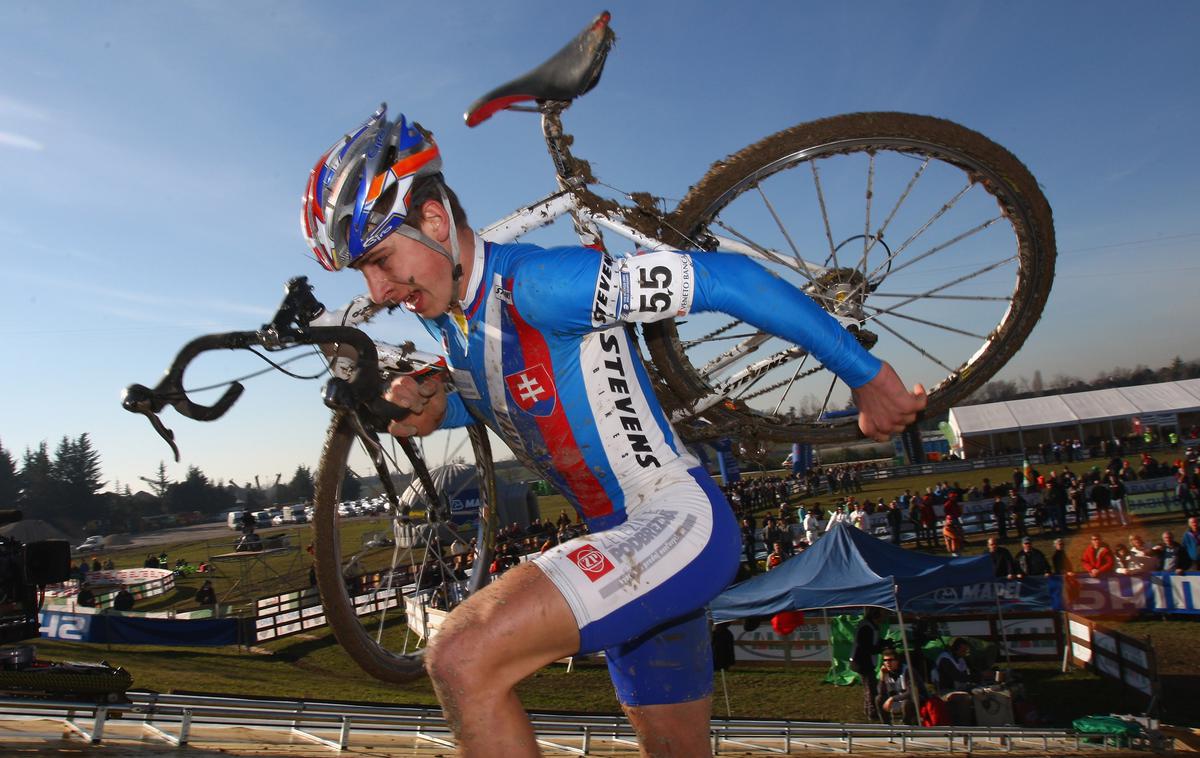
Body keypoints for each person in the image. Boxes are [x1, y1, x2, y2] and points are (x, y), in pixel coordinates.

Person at [300, 103, 928, 755]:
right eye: (363, 273)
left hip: (674, 522)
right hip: (626, 541)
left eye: (379, 260)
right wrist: (429, 408)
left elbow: (725, 278)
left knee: (461, 657)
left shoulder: (537, 285)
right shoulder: (451, 318)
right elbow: (487, 396)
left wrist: (867, 375)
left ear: (432, 220)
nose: (375, 288)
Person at [851, 607, 888, 721]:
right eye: (882, 614)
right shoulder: (867, 627)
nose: (884, 617)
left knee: (870, 686)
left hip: (865, 661)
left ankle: (869, 709)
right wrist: (879, 649)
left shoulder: (871, 625)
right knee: (871, 687)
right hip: (862, 661)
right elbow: (866, 646)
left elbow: (874, 641)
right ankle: (872, 712)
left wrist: (884, 643)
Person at [932, 637, 981, 725]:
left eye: (966, 651)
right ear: (955, 650)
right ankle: (963, 725)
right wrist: (978, 676)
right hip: (945, 690)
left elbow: (969, 673)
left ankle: (979, 721)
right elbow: (958, 677)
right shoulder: (945, 659)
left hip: (959, 687)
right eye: (963, 650)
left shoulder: (961, 659)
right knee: (962, 697)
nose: (965, 653)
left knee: (981, 692)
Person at [875, 647, 924, 725]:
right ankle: (886, 725)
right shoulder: (886, 672)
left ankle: (907, 726)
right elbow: (880, 692)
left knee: (906, 703)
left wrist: (892, 698)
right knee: (879, 699)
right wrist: (882, 677)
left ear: (897, 661)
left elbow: (911, 692)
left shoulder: (908, 671)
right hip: (898, 701)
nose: (887, 663)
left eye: (890, 660)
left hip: (917, 701)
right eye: (885, 660)